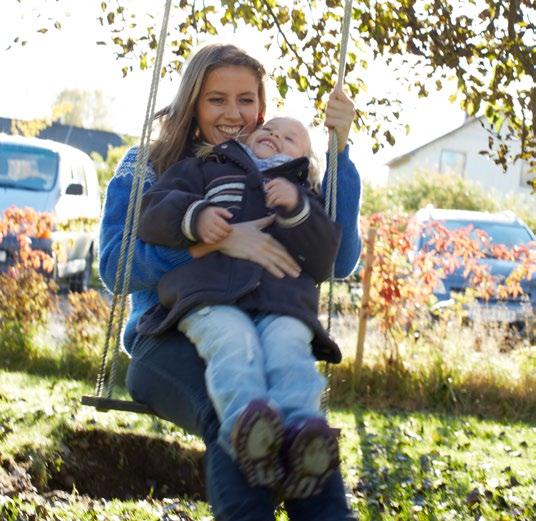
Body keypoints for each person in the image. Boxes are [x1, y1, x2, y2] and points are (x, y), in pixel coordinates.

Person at [99, 43, 361, 520]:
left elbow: (337, 260)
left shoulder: (277, 174)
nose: (233, 114)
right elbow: (115, 265)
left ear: (261, 107)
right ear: (193, 103)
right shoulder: (152, 164)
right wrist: (210, 241)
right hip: (166, 334)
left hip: (263, 328)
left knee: (302, 425)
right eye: (216, 99)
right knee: (237, 414)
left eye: (246, 100)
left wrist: (340, 151)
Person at [136, 116, 342, 499]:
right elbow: (153, 211)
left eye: (290, 137)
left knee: (289, 353)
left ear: (307, 160)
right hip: (212, 296)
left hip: (281, 302)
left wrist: (297, 208)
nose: (276, 136)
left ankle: (302, 435)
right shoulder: (209, 167)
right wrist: (195, 218)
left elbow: (326, 258)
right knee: (233, 342)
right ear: (247, 137)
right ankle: (250, 428)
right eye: (269, 129)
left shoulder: (305, 193)